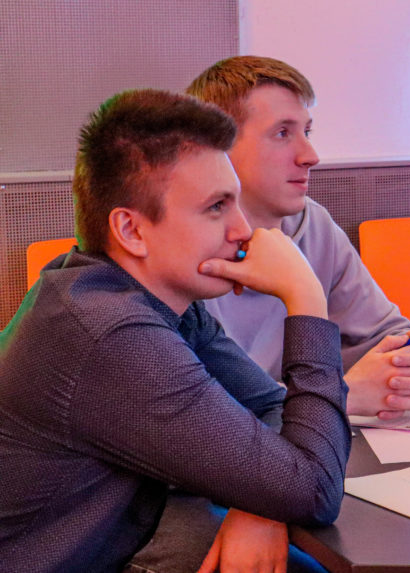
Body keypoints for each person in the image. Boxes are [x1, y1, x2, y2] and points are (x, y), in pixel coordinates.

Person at [0, 89, 350, 571]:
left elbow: (270, 406)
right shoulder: (110, 333)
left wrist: (259, 497)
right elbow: (315, 489)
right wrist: (306, 298)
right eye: (216, 207)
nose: (243, 230)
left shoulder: (158, 301)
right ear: (131, 231)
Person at [188, 56, 410, 409]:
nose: (310, 155)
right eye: (282, 133)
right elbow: (192, 408)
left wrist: (404, 369)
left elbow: (395, 337)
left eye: (307, 132)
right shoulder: (181, 245)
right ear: (218, 149)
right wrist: (344, 393)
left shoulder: (314, 225)